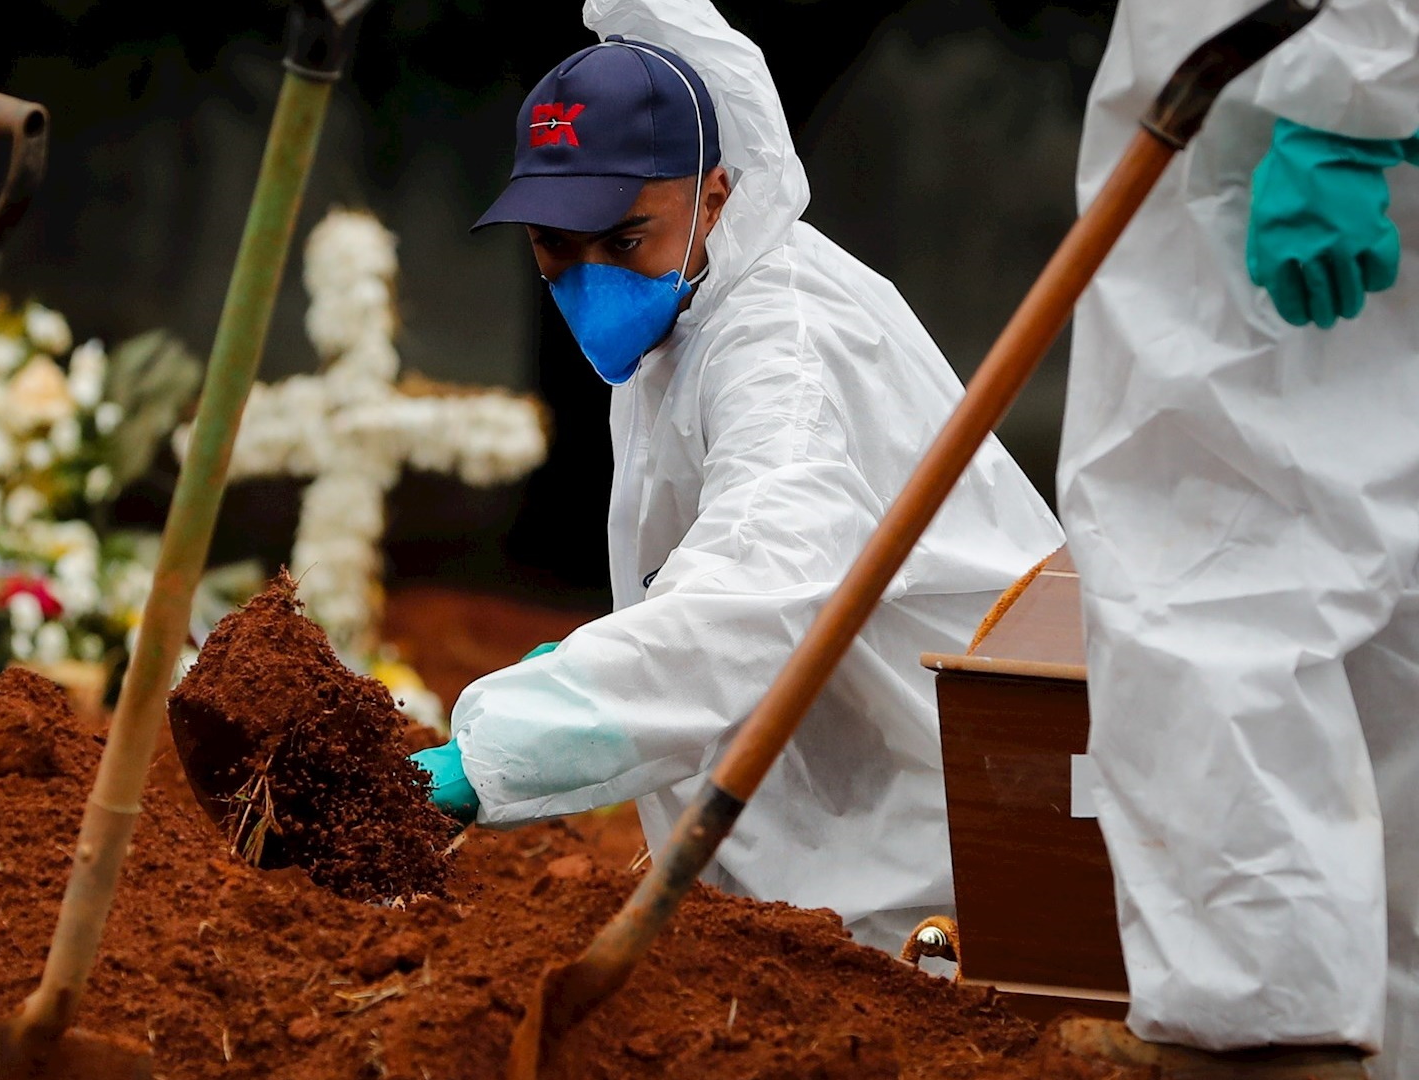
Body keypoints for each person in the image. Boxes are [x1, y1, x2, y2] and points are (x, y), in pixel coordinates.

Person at [407, 0, 1064, 954]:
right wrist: (584, 666)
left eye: (624, 238)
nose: (590, 276)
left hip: (934, 863)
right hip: (839, 825)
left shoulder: (783, 350)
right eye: (554, 244)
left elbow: (750, 591)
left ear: (714, 196)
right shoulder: (691, 316)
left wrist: (489, 753)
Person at [1053, 0, 1419, 1076]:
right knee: (1374, 607)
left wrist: (1349, 103)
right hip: (1287, 101)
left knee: (1209, 562)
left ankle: (1267, 1034)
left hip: (1271, 105)